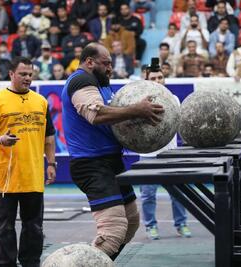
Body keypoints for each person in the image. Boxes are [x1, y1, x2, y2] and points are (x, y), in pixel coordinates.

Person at [61, 43, 164, 260]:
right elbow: (96, 115)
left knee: (131, 222)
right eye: (106, 63)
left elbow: (117, 115)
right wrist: (137, 110)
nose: (110, 68)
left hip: (111, 161)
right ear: (89, 62)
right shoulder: (81, 80)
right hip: (91, 164)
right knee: (113, 230)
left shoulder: (102, 84)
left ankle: (101, 263)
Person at [0, 56, 57, 267]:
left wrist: (51, 163)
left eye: (30, 74)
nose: (28, 78)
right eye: (23, 74)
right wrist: (0, 139)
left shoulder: (41, 102)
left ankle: (31, 263)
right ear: (11, 74)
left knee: (34, 228)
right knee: (5, 228)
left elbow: (49, 136)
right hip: (5, 180)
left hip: (32, 176)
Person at [140, 58, 192, 240]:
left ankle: (181, 224)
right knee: (147, 195)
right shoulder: (139, 102)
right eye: (153, 78)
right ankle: (150, 226)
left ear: (164, 79)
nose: (157, 81)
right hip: (148, 155)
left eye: (160, 78)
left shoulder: (174, 99)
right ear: (147, 80)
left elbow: (180, 126)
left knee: (178, 194)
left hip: (171, 155)